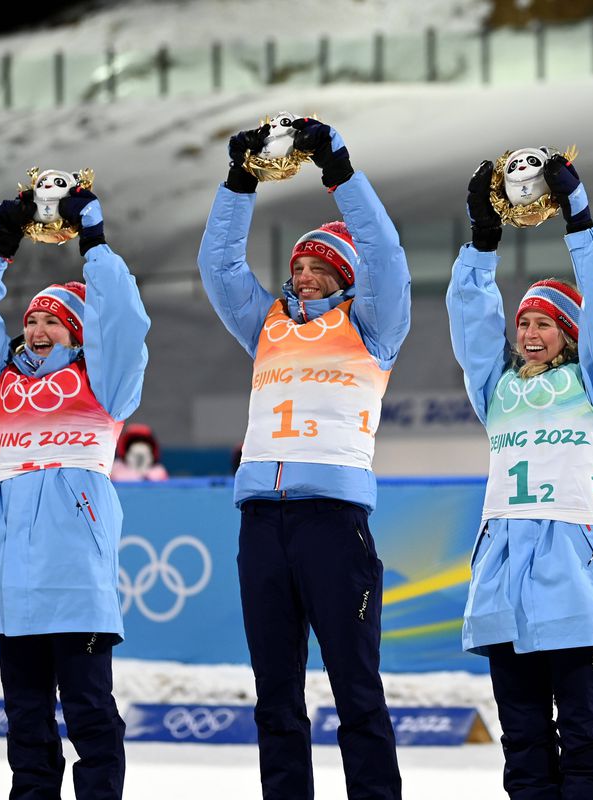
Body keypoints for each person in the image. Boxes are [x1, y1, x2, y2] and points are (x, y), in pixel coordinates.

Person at [198, 116, 409, 800]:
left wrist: (338, 168)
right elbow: (219, 265)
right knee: (275, 695)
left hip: (332, 523)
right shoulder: (266, 324)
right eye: (299, 267)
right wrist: (239, 182)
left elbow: (385, 252)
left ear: (346, 278)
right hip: (262, 523)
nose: (306, 277)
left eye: (321, 269)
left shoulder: (372, 327)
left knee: (356, 690)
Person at [0, 183, 150, 799]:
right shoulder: (1, 382)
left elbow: (126, 321)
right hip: (10, 577)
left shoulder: (105, 381)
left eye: (53, 321)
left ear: (79, 332)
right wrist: (0, 246)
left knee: (89, 712)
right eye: (31, 318)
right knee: (26, 720)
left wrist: (94, 243)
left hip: (75, 573)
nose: (36, 329)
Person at [448, 154, 593, 799]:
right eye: (523, 322)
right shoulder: (495, 390)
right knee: (522, 735)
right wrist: (482, 241)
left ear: (571, 333)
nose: (528, 333)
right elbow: (470, 320)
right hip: (503, 574)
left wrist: (579, 218)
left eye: (544, 323)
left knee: (585, 729)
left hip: (573, 575)